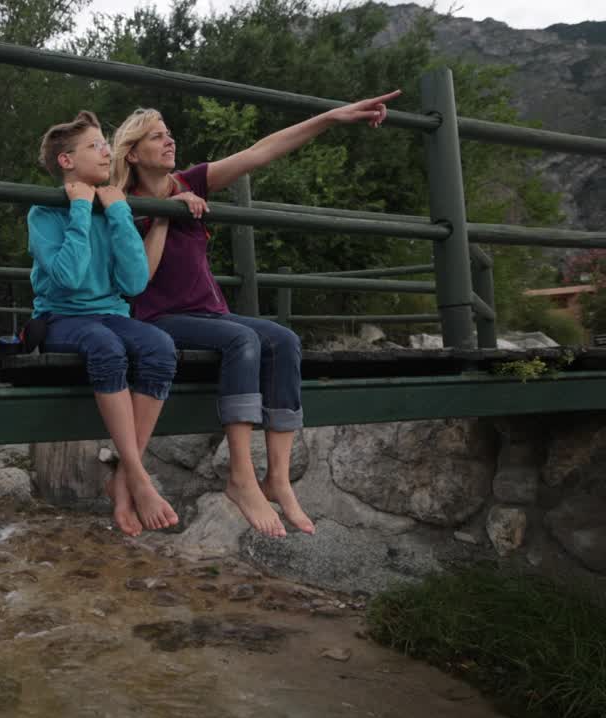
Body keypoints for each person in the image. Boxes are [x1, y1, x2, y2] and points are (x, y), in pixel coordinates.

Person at [110, 90, 401, 536]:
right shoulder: (121, 204)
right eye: (156, 136)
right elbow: (138, 282)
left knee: (284, 340)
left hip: (208, 315)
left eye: (169, 134)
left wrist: (330, 117)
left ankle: (277, 479)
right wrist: (166, 214)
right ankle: (240, 478)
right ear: (133, 153)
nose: (169, 141)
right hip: (158, 319)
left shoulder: (190, 183)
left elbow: (260, 152)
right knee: (242, 340)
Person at [28, 110, 180, 537]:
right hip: (62, 318)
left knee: (159, 347)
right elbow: (68, 278)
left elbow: (133, 283)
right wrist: (78, 209)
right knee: (105, 347)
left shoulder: (113, 207)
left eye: (105, 144)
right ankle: (138, 476)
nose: (106, 151)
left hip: (112, 314)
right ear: (66, 161)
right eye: (95, 146)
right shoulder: (44, 211)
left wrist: (118, 215)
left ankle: (125, 475)